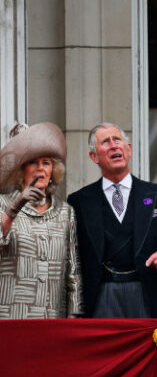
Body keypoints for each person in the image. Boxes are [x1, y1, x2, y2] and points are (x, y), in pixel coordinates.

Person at [67, 123, 157, 318]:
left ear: (129, 150)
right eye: (105, 142)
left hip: (147, 295)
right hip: (100, 297)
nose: (113, 146)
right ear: (94, 157)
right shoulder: (79, 201)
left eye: (117, 140)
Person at [0, 122, 83, 319]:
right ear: (21, 170)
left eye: (46, 163)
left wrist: (74, 316)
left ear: (53, 171)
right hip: (12, 317)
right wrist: (16, 206)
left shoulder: (65, 212)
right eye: (32, 162)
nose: (40, 169)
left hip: (53, 317)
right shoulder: (3, 205)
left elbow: (73, 272)